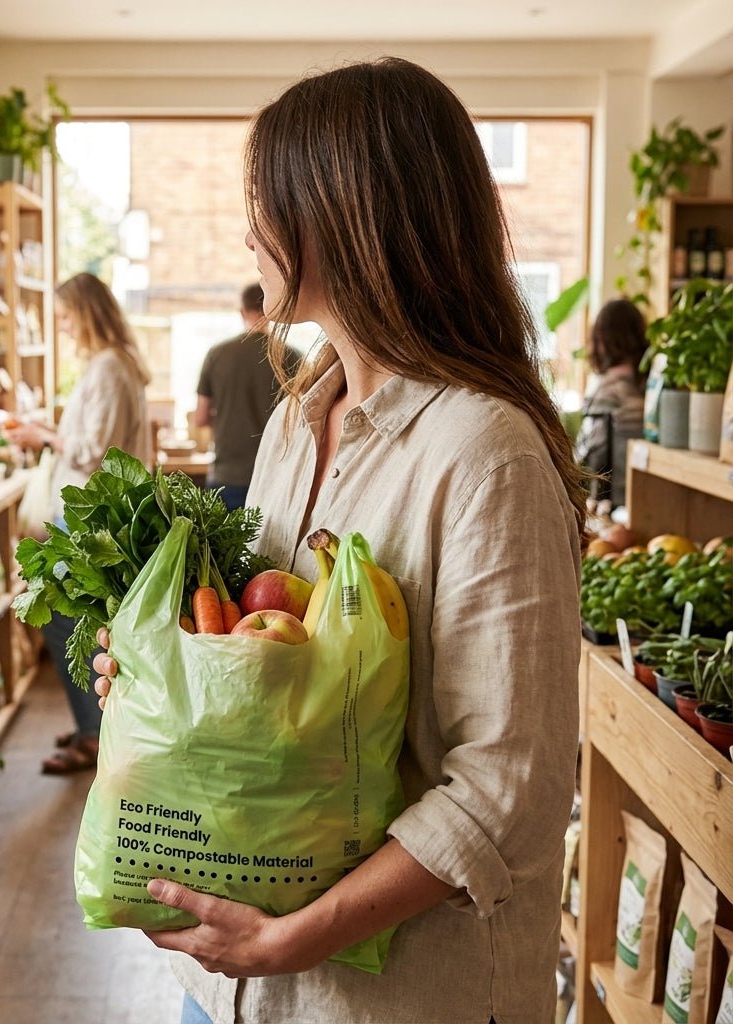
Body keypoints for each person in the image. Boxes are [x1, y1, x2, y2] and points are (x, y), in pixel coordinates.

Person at [94, 56, 587, 1024]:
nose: (248, 232)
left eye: (261, 201)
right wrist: (174, 677)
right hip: (228, 978)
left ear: (341, 213)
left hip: (394, 995)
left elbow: (510, 787)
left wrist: (295, 937)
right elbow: (271, 672)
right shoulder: (294, 418)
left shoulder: (481, 449)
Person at [7, 272, 151, 774]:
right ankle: (91, 723)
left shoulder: (110, 368)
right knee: (78, 623)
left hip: (90, 520)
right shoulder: (112, 366)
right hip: (90, 518)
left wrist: (42, 435)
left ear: (87, 314)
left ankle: (93, 732)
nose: (64, 328)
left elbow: (96, 451)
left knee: (66, 622)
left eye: (66, 318)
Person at [194, 283, 297, 510]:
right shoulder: (292, 357)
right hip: (277, 476)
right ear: (273, 309)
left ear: (242, 312)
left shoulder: (218, 354)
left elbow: (200, 418)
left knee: (223, 545)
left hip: (227, 475)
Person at [574, 298, 648, 514]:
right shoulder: (650, 383)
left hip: (614, 505)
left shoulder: (605, 392)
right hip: (649, 494)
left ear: (601, 340)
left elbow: (592, 453)